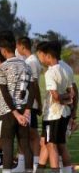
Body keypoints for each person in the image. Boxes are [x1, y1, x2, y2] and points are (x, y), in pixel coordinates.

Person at [0, 30, 35, 173]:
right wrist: (27, 111)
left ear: (3, 51)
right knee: (25, 145)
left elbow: (5, 93)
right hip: (24, 111)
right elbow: (33, 91)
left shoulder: (2, 68)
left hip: (8, 112)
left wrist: (15, 113)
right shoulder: (27, 66)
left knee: (7, 145)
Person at [37, 41, 74, 173]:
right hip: (64, 113)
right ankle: (68, 170)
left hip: (52, 115)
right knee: (61, 144)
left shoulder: (50, 73)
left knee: (51, 145)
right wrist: (67, 99)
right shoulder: (65, 69)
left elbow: (56, 96)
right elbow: (72, 93)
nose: (40, 58)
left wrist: (61, 98)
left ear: (48, 55)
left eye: (41, 55)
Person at [17, 36, 43, 168]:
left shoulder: (32, 62)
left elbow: (35, 85)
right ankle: (24, 164)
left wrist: (38, 104)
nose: (16, 49)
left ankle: (36, 163)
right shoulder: (28, 61)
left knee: (32, 134)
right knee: (25, 133)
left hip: (30, 104)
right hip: (27, 102)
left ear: (22, 46)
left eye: (17, 46)